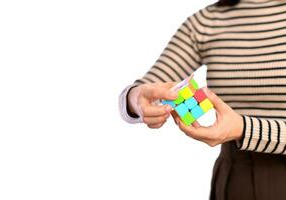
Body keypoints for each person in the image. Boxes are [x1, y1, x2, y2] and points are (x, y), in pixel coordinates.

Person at [118, 0, 286, 199]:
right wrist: (136, 98)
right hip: (237, 179)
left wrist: (243, 129)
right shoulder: (206, 22)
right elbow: (146, 88)